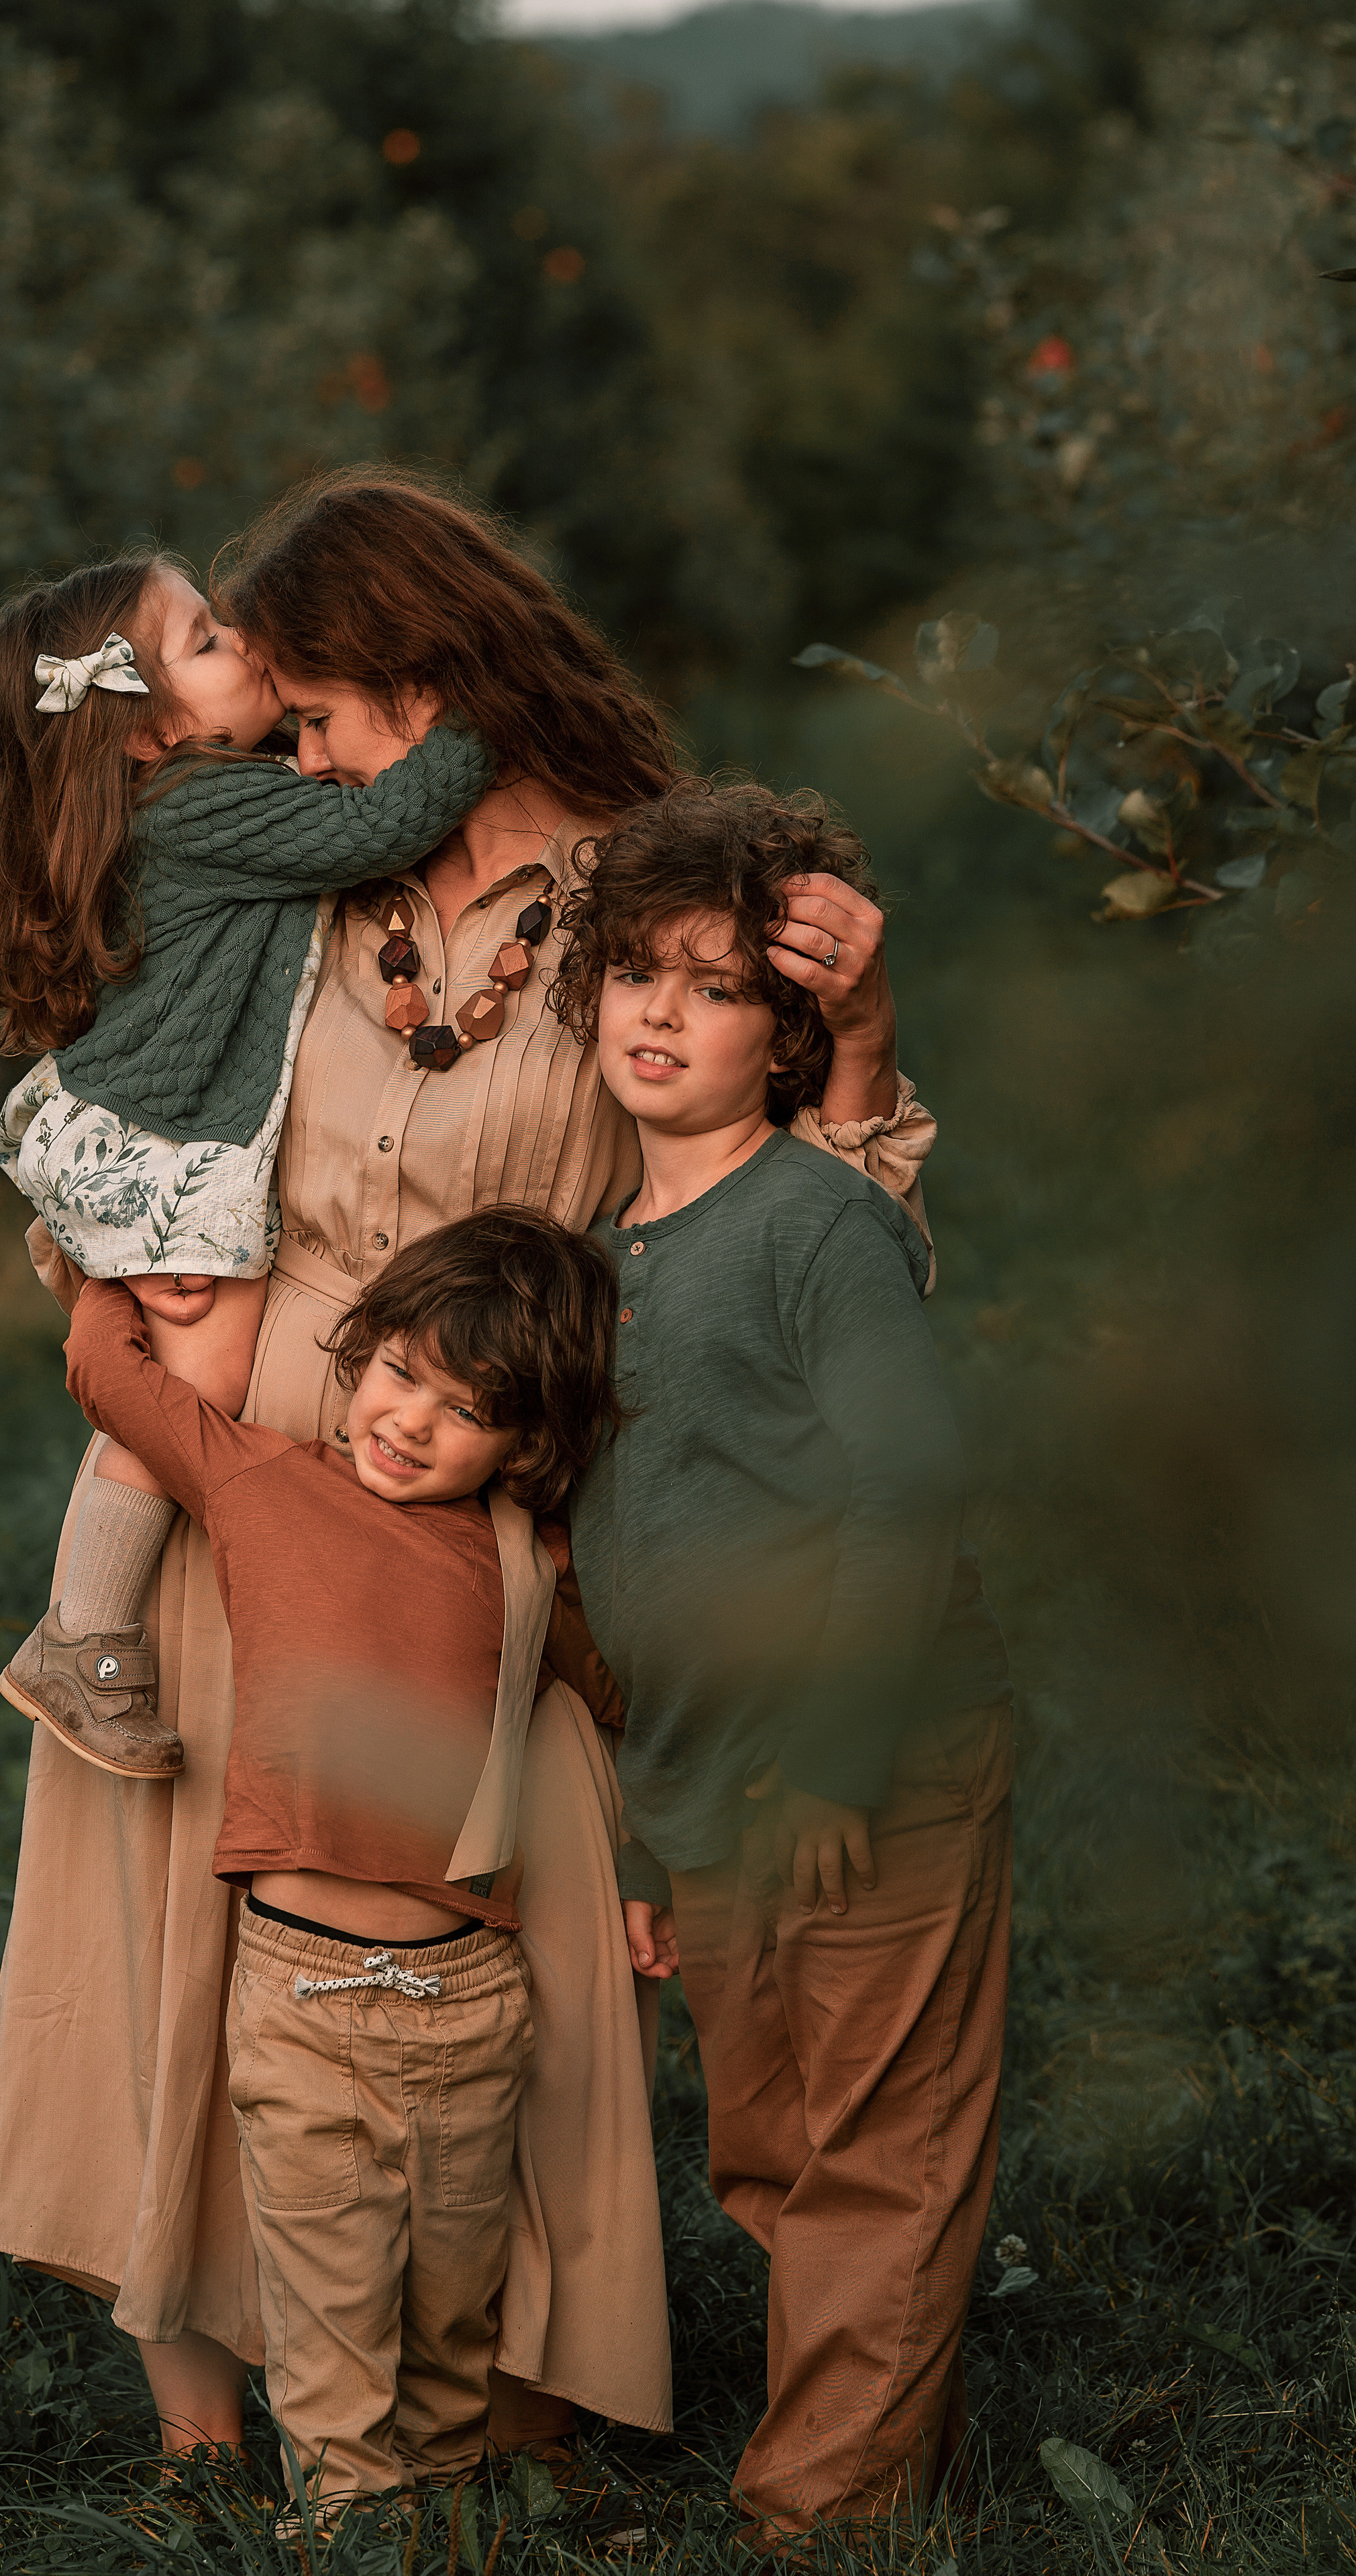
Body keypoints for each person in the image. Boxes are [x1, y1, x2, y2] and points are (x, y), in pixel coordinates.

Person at [0, 470, 937, 2465]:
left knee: (515, 1957)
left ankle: (497, 2383)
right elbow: (134, 1101)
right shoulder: (278, 873)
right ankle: (214, 2410)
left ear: (423, 682)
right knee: (188, 1953)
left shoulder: (642, 905)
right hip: (231, 1486)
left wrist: (861, 1045)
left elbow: (797, 1220)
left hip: (482, 1534)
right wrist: (97, 1273)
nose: (286, 740)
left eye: (316, 708)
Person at [552, 778, 1014, 2549]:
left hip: (871, 1758)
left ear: (789, 1034)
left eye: (719, 985)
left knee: (874, 2164)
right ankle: (897, 2457)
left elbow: (908, 1488)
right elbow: (630, 1558)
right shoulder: (613, 1262)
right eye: (638, 976)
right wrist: (662, 1836)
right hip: (717, 1783)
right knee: (772, 2152)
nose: (664, 1015)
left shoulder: (817, 1221)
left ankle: (815, 2522)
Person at [60, 1209, 622, 2511]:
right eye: (397, 1372)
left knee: (446, 2331)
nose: (410, 1420)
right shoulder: (265, 1481)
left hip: (472, 2011)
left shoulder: (521, 1558)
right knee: (329, 2330)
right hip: (302, 2001)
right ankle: (348, 2528)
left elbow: (611, 1699)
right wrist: (105, 1255)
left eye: (463, 1407)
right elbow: (108, 1377)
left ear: (526, 1444)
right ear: (356, 1353)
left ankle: (438, 2516)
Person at [0, 551, 490, 1777]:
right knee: (204, 1374)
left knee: (190, 1369)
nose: (244, 642)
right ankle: (83, 1632)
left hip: (136, 1125)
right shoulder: (199, 810)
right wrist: (487, 716)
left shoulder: (192, 801)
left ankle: (92, 1629)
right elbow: (386, 823)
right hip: (163, 1139)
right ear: (148, 733)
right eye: (204, 639)